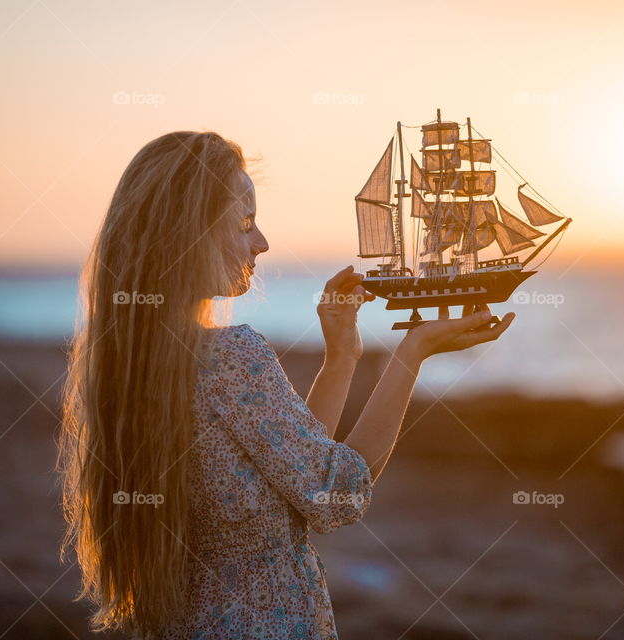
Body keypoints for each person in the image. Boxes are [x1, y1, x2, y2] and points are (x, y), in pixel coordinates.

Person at [58, 131, 515, 639]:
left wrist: (341, 358)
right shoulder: (229, 356)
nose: (262, 242)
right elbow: (335, 494)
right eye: (244, 223)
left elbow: (293, 470)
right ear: (187, 236)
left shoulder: (129, 366)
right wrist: (413, 351)